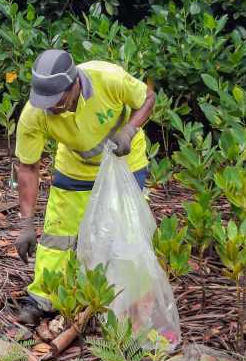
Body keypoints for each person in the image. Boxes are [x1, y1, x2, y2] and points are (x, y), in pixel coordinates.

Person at [9, 48, 156, 326]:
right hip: (75, 166)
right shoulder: (35, 114)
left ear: (74, 83)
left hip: (124, 161)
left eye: (57, 99)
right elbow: (28, 167)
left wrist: (130, 129)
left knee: (122, 234)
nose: (51, 107)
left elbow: (148, 98)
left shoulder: (107, 78)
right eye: (45, 101)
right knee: (58, 235)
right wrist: (26, 223)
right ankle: (44, 297)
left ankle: (121, 304)